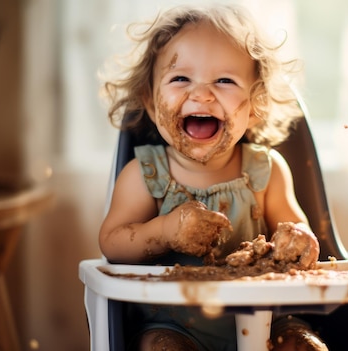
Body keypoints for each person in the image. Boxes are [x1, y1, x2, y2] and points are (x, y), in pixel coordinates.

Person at [98, 4, 328, 351]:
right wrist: (165, 232)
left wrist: (299, 239)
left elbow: (301, 235)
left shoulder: (266, 171)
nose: (202, 94)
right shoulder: (146, 176)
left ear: (255, 107)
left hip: (268, 320)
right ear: (148, 101)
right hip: (174, 325)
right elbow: (112, 244)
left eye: (224, 80)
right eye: (180, 78)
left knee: (303, 345)